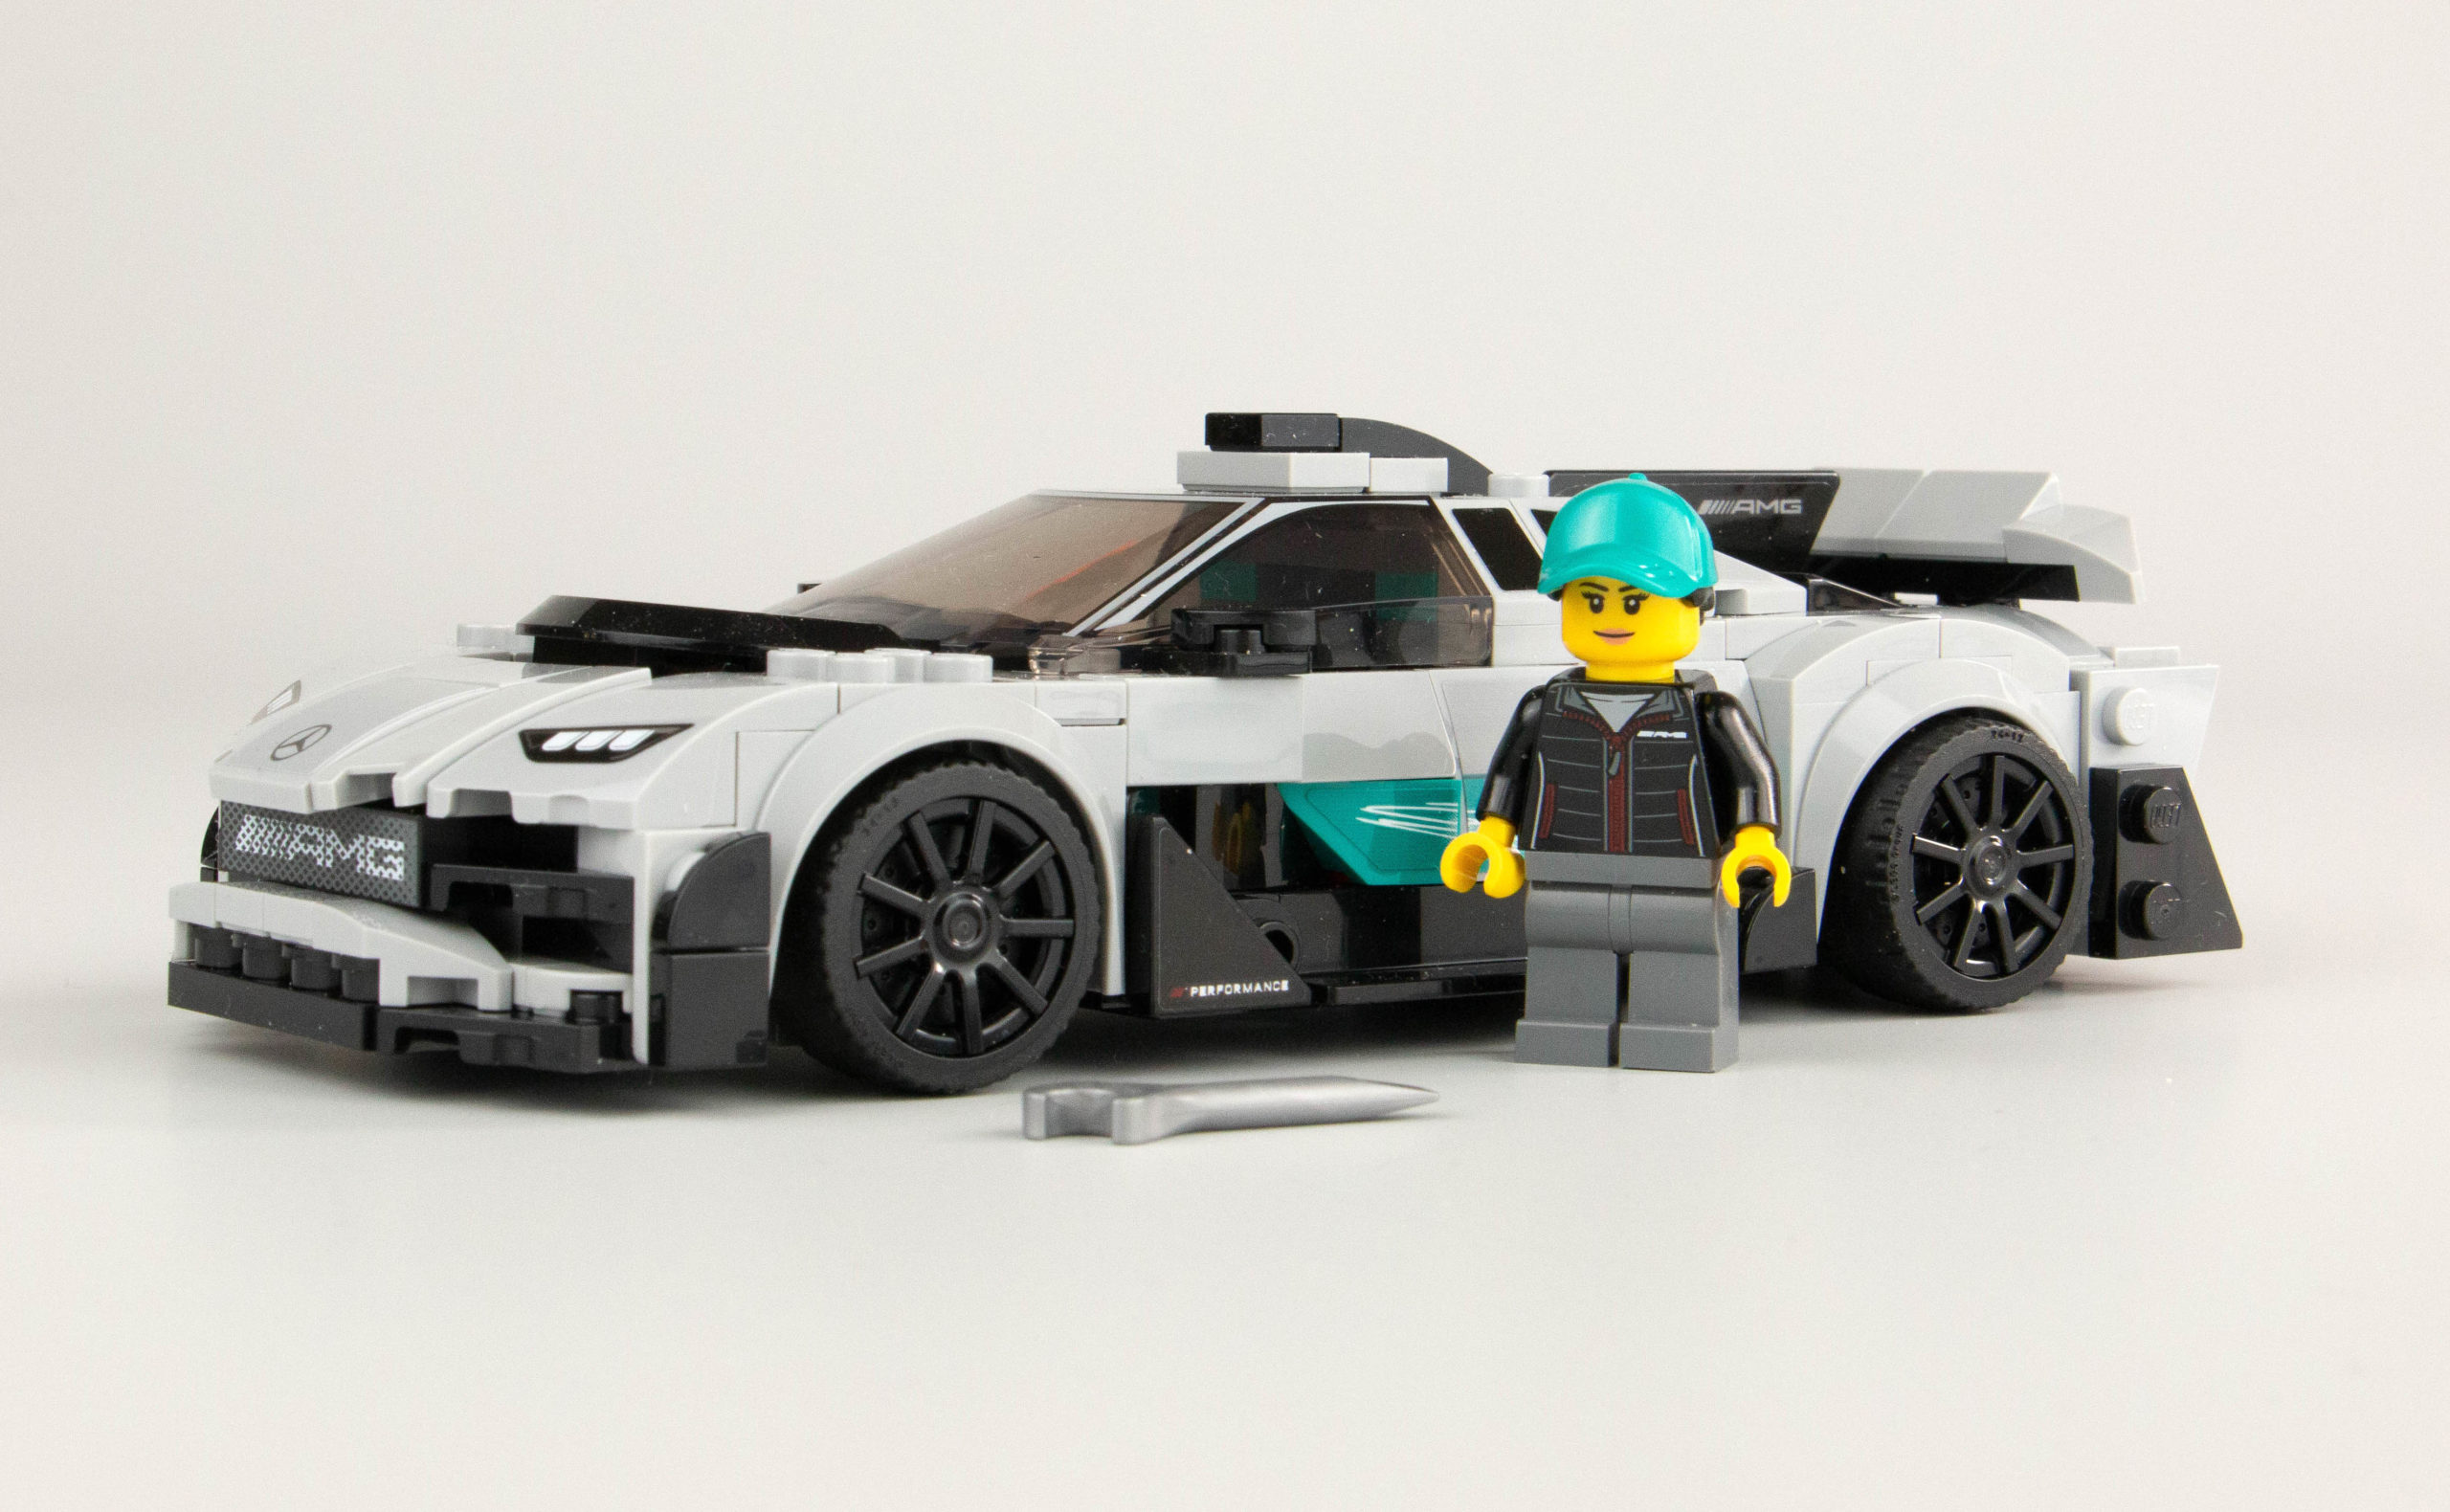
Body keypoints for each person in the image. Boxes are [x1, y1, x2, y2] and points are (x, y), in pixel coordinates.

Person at [1439, 477, 1792, 1071]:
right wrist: (1492, 840)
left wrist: (1755, 843)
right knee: (1565, 951)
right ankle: (1566, 1030)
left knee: (1680, 953)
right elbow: (1510, 779)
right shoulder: (1544, 706)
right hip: (1565, 863)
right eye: (1591, 599)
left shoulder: (1708, 710)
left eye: (1634, 602)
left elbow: (1752, 777)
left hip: (1677, 868)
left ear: (1698, 605)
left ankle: (1678, 1035)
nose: (1611, 617)